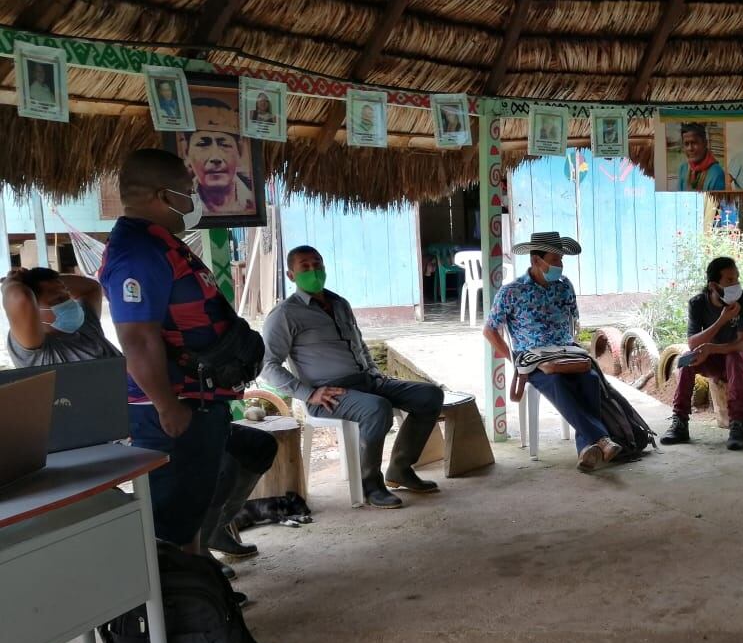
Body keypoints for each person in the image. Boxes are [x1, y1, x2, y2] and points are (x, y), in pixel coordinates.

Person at [3, 262, 276, 578]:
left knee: (249, 448)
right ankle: (188, 569)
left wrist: (50, 282)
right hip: (112, 441)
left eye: (65, 294)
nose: (66, 300)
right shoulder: (34, 350)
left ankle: (209, 531)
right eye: (55, 298)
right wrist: (15, 281)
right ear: (35, 310)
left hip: (140, 420)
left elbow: (92, 288)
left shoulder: (85, 328)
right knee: (186, 483)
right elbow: (19, 300)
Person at [99, 149, 249, 559]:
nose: (192, 201)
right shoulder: (137, 254)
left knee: (191, 507)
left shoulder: (159, 244)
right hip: (173, 406)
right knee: (171, 522)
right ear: (161, 196)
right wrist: (167, 406)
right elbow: (137, 340)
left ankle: (198, 589)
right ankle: (181, 607)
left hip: (197, 399)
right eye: (186, 192)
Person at [261, 246, 444, 509]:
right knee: (377, 409)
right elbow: (267, 365)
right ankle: (371, 485)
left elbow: (359, 345)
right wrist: (308, 393)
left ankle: (400, 468)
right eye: (305, 266)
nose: (313, 271)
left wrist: (373, 371)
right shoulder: (285, 315)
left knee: (430, 395)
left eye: (318, 264)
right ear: (291, 275)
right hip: (328, 394)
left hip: (368, 381)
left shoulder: (339, 303)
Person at [481, 231, 621, 471]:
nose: (560, 265)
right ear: (536, 261)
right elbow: (490, 330)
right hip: (534, 359)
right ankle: (601, 439)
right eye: (555, 260)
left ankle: (586, 449)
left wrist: (574, 347)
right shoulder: (511, 292)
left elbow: (573, 323)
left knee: (590, 379)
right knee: (557, 381)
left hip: (566, 352)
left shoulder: (564, 286)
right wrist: (514, 359)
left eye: (561, 260)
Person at [660, 256, 743, 451]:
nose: (736, 284)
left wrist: (711, 348)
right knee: (687, 359)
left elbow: (740, 345)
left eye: (737, 278)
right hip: (713, 362)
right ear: (714, 285)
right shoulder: (697, 303)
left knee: (734, 357)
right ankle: (680, 422)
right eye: (730, 280)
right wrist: (722, 320)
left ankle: (737, 425)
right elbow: (693, 342)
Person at [184, 96, 256, 214]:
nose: (215, 157)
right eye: (202, 144)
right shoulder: (182, 204)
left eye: (225, 144)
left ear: (239, 151)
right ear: (187, 152)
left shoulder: (251, 199)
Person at [677, 123, 725, 191]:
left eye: (694, 143)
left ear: (705, 143)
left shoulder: (716, 173)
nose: (690, 148)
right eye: (686, 144)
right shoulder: (683, 168)